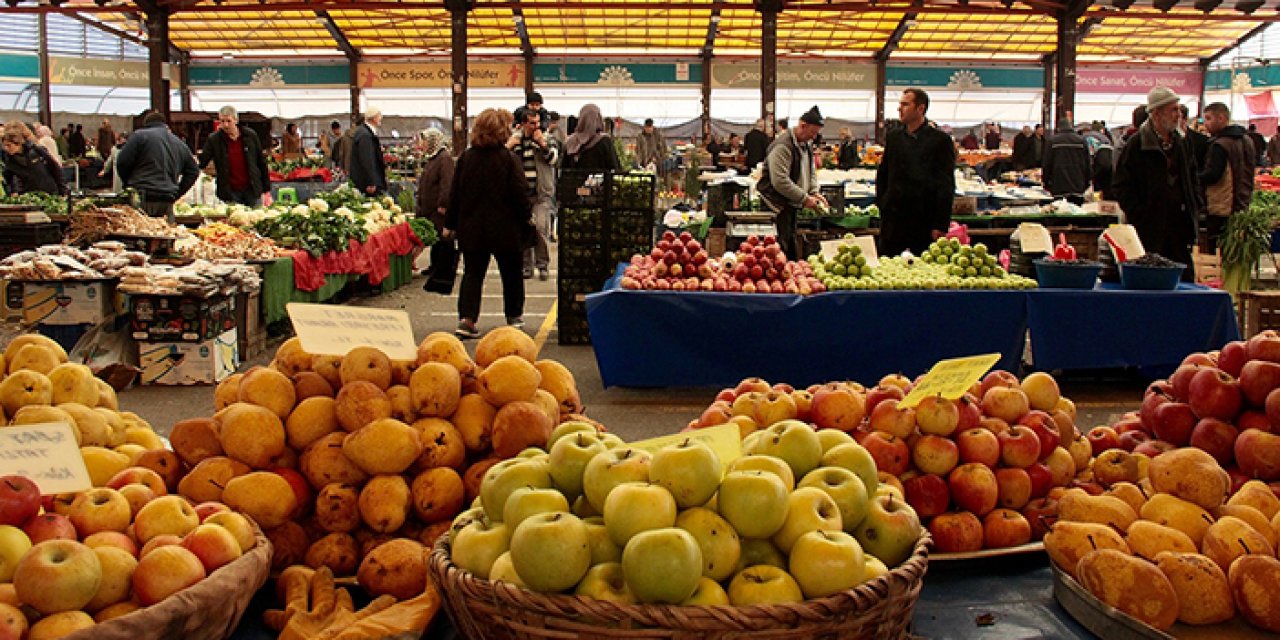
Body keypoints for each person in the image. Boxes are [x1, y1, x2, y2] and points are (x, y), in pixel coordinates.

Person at [443, 108, 534, 338]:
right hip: (505, 229)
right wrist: (526, 217)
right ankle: (514, 318)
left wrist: (450, 223)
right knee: (511, 274)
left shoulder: (466, 158)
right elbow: (520, 194)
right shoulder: (508, 160)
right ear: (501, 130)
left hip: (472, 228)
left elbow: (455, 194)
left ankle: (467, 320)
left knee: (472, 274)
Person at [1111, 87, 1203, 281]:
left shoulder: (1182, 142)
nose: (1178, 115)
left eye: (1178, 109)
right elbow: (1121, 185)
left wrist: (1195, 203)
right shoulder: (1137, 144)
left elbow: (1193, 176)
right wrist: (1140, 213)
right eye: (1173, 110)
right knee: (1149, 279)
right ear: (1156, 113)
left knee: (1184, 279)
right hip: (1149, 228)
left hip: (1179, 224)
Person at [877, 88, 957, 257]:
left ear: (920, 109)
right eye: (900, 104)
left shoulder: (940, 141)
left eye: (905, 104)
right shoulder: (894, 137)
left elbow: (946, 185)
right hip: (893, 219)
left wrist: (941, 224)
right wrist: (882, 204)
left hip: (923, 220)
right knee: (887, 267)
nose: (900, 108)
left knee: (923, 271)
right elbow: (883, 173)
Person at [757, 106, 827, 258]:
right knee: (778, 251)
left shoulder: (805, 144)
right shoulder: (783, 146)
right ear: (803, 126)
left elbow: (811, 170)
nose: (814, 137)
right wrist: (804, 198)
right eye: (812, 132)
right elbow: (780, 181)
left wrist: (813, 191)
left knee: (789, 245)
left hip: (791, 204)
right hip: (776, 206)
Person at [116, 111, 199, 221]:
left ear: (146, 124)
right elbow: (193, 171)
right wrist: (177, 193)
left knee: (140, 233)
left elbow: (122, 162)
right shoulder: (179, 143)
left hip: (142, 197)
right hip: (167, 201)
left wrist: (128, 183)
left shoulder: (139, 136)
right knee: (164, 233)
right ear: (165, 125)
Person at [508, 109, 559, 281]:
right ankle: (526, 266)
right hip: (520, 194)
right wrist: (510, 146)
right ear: (523, 124)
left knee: (540, 227)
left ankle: (542, 264)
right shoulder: (515, 139)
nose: (536, 126)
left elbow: (554, 160)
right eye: (531, 123)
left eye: (537, 122)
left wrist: (542, 144)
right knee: (522, 229)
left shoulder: (547, 138)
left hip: (541, 192)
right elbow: (504, 160)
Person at [1198, 102, 1255, 252]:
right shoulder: (1247, 140)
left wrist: (1194, 177)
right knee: (1234, 251)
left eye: (1209, 119)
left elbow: (1213, 175)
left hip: (1221, 206)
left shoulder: (1220, 145)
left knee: (1216, 249)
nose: (1206, 124)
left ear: (1222, 118)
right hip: (1242, 203)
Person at [197, 106, 272, 207]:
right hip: (230, 191)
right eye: (222, 121)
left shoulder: (250, 136)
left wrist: (266, 189)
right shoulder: (214, 139)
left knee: (254, 217)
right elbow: (203, 160)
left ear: (236, 120)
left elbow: (261, 162)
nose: (225, 125)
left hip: (252, 188)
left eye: (228, 121)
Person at [416, 128, 456, 292]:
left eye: (424, 141)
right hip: (431, 208)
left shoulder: (444, 159)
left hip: (439, 208)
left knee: (443, 238)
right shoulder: (434, 158)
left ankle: (444, 267)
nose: (422, 144)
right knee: (436, 238)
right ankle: (435, 266)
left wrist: (444, 203)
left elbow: (447, 183)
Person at [2, 121, 66, 196]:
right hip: (29, 198)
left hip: (50, 193)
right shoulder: (9, 160)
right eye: (4, 146)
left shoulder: (37, 150)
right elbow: (10, 179)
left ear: (18, 143)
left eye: (9, 145)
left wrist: (63, 191)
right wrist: (14, 191)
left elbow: (55, 168)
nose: (6, 148)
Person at [1042, 118, 1091, 205]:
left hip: (1058, 185)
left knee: (1059, 213)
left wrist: (1046, 182)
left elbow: (1047, 164)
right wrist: (1086, 183)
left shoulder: (1052, 141)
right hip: (1078, 185)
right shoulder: (1082, 141)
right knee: (1076, 213)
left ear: (1058, 128)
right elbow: (1088, 164)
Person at [562, 104, 621, 171]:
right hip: (600, 180)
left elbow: (564, 168)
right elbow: (615, 168)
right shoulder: (604, 141)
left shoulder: (571, 141)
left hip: (574, 180)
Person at [349, 107, 388, 195]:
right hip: (366, 184)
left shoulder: (364, 132)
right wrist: (371, 182)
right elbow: (367, 159)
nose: (380, 118)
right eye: (379, 116)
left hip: (364, 181)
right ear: (374, 118)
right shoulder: (365, 135)